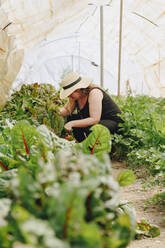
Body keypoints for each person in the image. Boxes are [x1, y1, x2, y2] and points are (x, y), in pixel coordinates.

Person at [59, 72, 123, 142]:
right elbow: (67, 110)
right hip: (98, 122)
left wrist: (71, 123)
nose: (69, 96)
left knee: (91, 129)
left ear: (78, 89)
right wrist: (54, 112)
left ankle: (93, 149)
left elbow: (95, 119)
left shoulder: (94, 93)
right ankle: (81, 145)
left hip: (113, 122)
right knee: (71, 118)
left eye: (70, 93)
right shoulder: (76, 97)